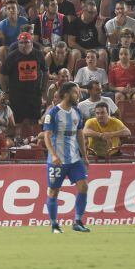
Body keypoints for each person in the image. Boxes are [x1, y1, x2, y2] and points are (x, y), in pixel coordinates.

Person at [42, 81, 91, 234]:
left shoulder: (77, 112)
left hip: (74, 159)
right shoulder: (53, 113)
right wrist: (54, 155)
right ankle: (54, 224)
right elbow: (47, 136)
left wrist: (84, 155)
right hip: (57, 161)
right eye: (76, 92)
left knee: (84, 186)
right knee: (54, 192)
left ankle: (77, 221)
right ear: (66, 94)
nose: (79, 95)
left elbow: (79, 134)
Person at [0, 32, 48, 123]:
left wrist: (44, 88)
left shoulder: (38, 54)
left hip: (34, 94)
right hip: (17, 95)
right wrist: (5, 91)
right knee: (17, 122)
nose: (24, 45)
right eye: (21, 43)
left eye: (26, 42)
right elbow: (2, 74)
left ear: (31, 43)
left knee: (35, 121)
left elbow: (46, 71)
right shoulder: (12, 56)